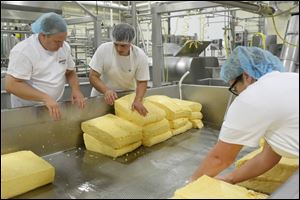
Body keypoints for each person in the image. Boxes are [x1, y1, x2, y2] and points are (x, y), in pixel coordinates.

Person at [190, 46, 299, 184]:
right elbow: (268, 157)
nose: (238, 94)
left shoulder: (253, 96)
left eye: (234, 88)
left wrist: (191, 183)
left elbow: (220, 158)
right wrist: (230, 179)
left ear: (246, 76)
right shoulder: (292, 79)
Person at [5, 12, 85, 120]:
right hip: (27, 108)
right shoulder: (24, 51)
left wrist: (76, 89)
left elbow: (70, 72)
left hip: (52, 105)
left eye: (63, 41)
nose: (61, 45)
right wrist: (45, 98)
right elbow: (11, 85)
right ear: (43, 35)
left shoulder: (64, 47)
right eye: (57, 41)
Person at [89, 23, 150, 116]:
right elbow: (93, 76)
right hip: (101, 97)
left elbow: (142, 82)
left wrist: (138, 100)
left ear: (131, 43)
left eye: (123, 45)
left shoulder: (140, 56)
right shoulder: (104, 49)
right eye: (116, 44)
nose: (119, 48)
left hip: (126, 98)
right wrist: (106, 90)